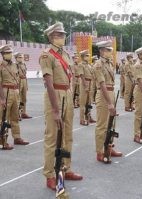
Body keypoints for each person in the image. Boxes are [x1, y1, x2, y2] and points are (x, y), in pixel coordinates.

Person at [39, 22, 82, 191]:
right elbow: (49, 83)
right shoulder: (46, 55)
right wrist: (56, 110)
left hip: (67, 94)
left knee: (67, 135)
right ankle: (50, 174)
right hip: (54, 96)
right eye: (59, 35)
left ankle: (65, 168)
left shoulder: (65, 54)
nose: (63, 38)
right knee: (52, 137)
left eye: (63, 35)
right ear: (51, 37)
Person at [93, 40, 122, 162]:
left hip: (111, 93)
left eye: (111, 50)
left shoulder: (109, 64)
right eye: (108, 50)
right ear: (102, 51)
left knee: (111, 124)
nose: (111, 52)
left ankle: (108, 147)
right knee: (102, 125)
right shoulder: (98, 65)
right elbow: (102, 84)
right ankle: (100, 151)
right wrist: (110, 103)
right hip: (104, 94)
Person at [0, 45, 30, 150]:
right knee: (3, 117)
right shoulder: (0, 66)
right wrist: (2, 98)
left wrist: (17, 89)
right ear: (2, 54)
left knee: (15, 116)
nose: (10, 54)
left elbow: (17, 78)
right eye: (7, 53)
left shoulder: (15, 65)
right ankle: (3, 141)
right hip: (5, 92)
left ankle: (17, 137)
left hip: (15, 91)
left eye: (10, 52)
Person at [78, 50, 96, 125]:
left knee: (89, 102)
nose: (88, 57)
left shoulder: (89, 65)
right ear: (82, 57)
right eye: (86, 56)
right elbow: (82, 75)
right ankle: (82, 119)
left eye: (88, 56)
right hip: (84, 84)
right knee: (83, 103)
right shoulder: (81, 65)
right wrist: (85, 86)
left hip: (90, 83)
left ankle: (88, 116)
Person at [14, 52, 32, 119]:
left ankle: (23, 113)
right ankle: (17, 114)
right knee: (17, 98)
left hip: (24, 80)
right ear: (16, 58)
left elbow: (25, 74)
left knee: (24, 98)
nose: (21, 58)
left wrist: (26, 84)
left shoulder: (24, 64)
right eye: (19, 57)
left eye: (22, 57)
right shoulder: (14, 65)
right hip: (18, 81)